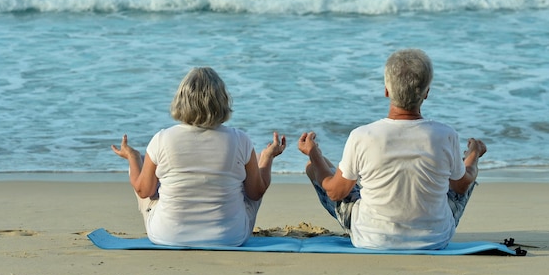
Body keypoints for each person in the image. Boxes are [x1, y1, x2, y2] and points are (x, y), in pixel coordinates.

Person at [297, 49, 487, 250]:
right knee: (466, 173)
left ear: (386, 90)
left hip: (371, 238)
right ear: (427, 92)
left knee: (314, 167)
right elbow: (461, 186)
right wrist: (473, 155)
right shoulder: (446, 135)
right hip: (435, 239)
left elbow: (335, 193)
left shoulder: (362, 136)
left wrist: (313, 154)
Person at [112, 67, 286, 247]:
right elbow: (255, 193)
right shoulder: (240, 140)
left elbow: (143, 191)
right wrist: (266, 158)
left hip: (168, 235)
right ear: (222, 101)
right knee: (245, 180)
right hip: (229, 237)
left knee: (147, 181)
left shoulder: (161, 139)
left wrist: (133, 158)